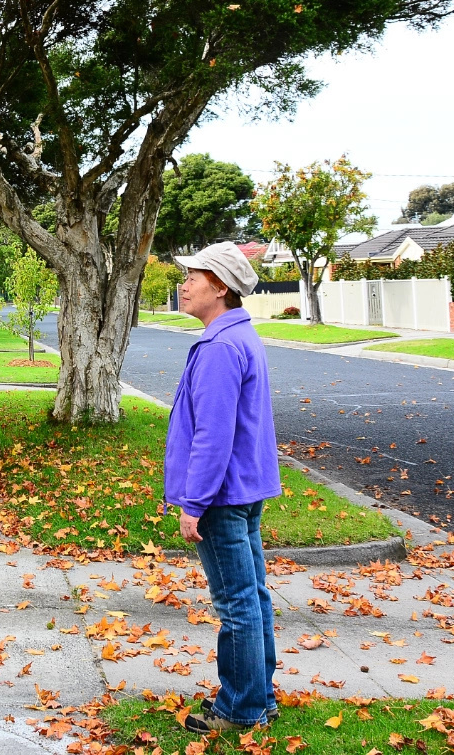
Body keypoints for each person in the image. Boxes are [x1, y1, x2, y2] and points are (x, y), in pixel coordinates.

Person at [163, 241, 281, 734]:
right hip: (242, 491)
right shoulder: (238, 336)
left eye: (192, 277)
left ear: (220, 287)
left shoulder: (220, 347)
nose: (183, 285)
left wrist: (193, 503)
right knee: (252, 597)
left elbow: (213, 436)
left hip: (221, 497)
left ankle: (239, 709)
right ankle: (259, 698)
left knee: (236, 604)